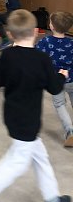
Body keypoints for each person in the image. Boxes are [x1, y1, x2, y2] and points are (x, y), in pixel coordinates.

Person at [0, 10, 70, 202]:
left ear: (10, 34)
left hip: (13, 116)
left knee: (40, 157)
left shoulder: (8, 55)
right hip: (28, 120)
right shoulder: (41, 59)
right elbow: (54, 87)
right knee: (18, 161)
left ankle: (52, 197)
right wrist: (61, 75)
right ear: (36, 32)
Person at [36, 11, 73, 147]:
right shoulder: (71, 42)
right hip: (71, 78)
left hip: (55, 80)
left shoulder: (45, 41)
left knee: (60, 104)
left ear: (51, 26)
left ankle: (70, 131)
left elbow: (35, 55)